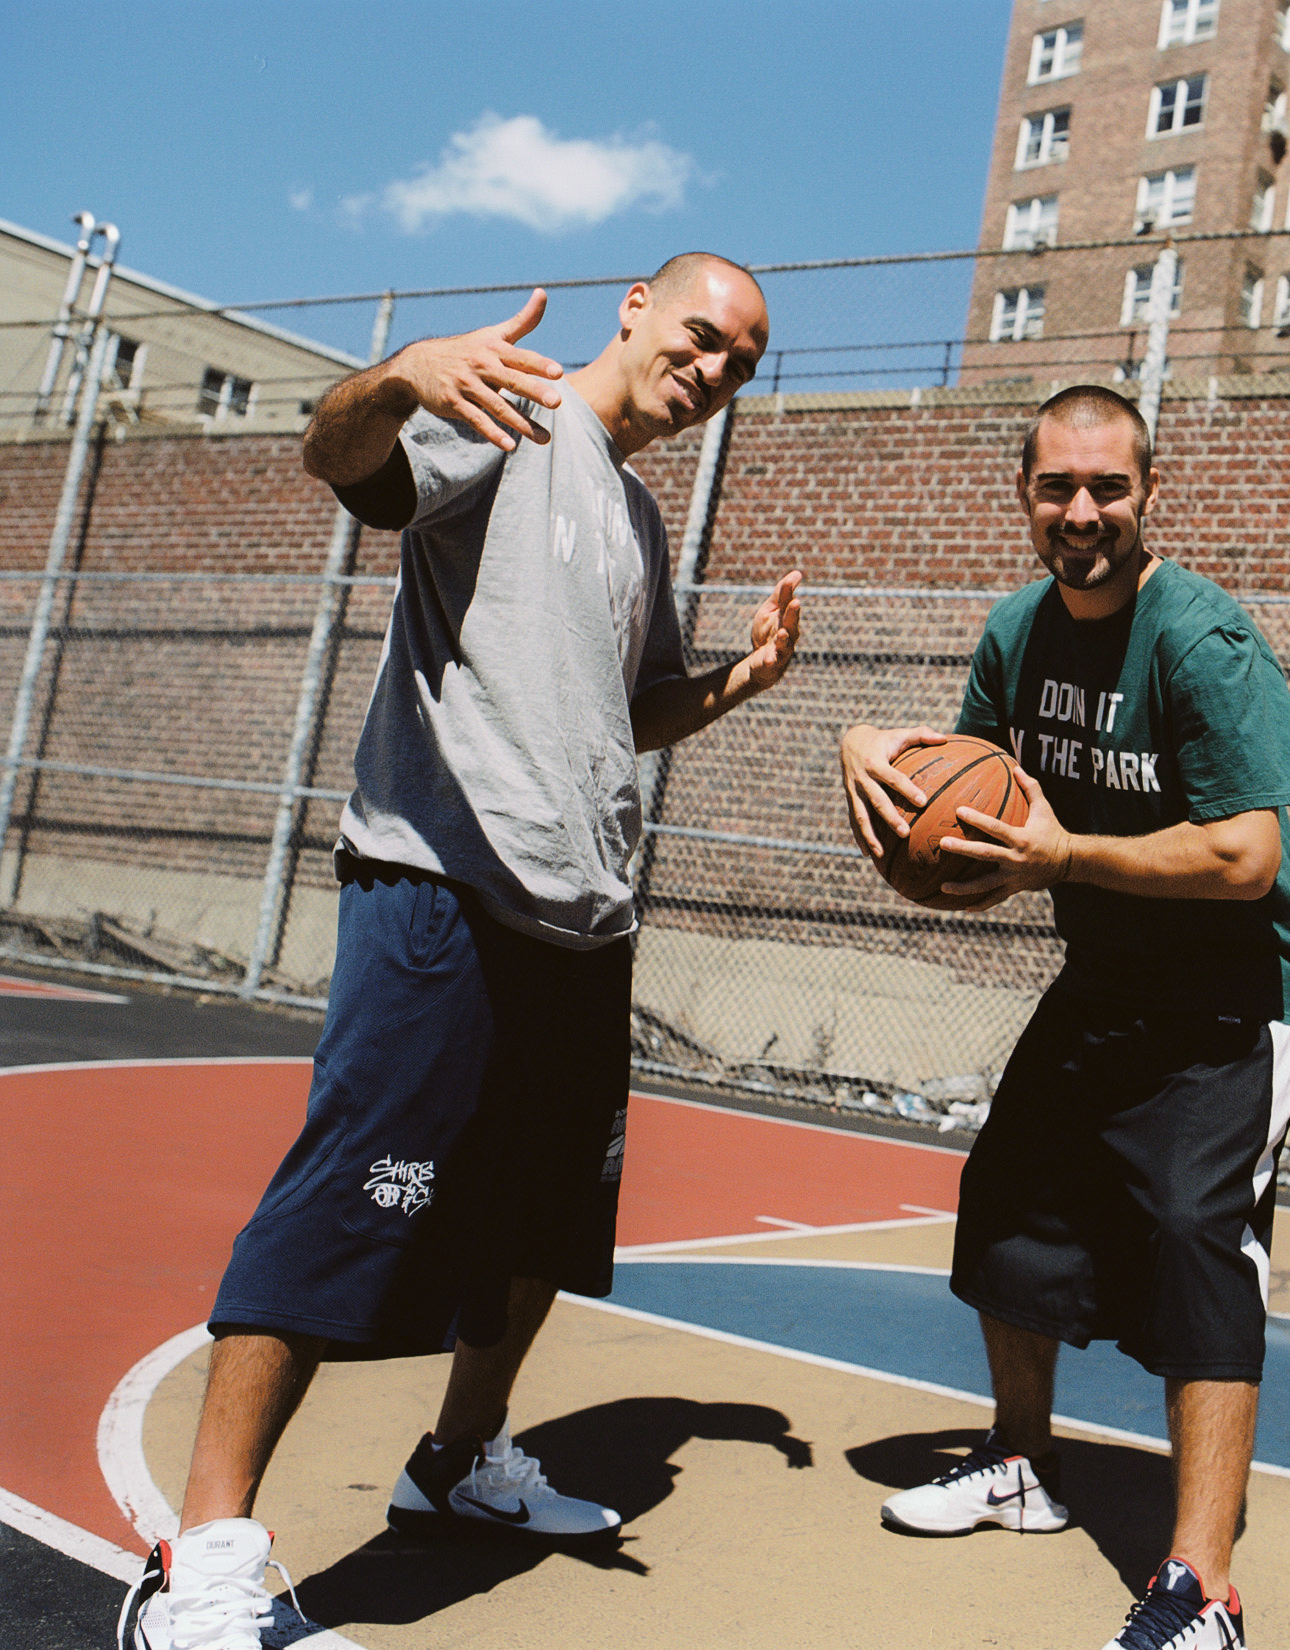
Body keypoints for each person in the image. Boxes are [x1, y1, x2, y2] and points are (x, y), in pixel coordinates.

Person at [120, 254, 804, 1650]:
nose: (716, 367)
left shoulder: (634, 513)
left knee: (539, 1224)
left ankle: (457, 1465)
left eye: (742, 357)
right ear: (635, 308)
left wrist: (740, 679)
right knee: (344, 1204)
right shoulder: (507, 413)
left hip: (577, 916)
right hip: (441, 887)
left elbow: (630, 710)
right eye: (702, 334)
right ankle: (197, 1567)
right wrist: (399, 375)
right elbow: (340, 458)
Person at [839, 385, 1290, 1650]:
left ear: (1147, 492)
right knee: (1009, 1204)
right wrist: (865, 745)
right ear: (1027, 497)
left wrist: (1064, 860)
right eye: (1058, 487)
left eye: (1107, 486)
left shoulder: (1201, 642)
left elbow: (1246, 858)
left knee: (1191, 1238)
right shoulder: (1016, 635)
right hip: (1105, 983)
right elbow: (976, 806)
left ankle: (1201, 1591)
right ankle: (1019, 1464)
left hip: (1231, 1001)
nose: (1083, 510)